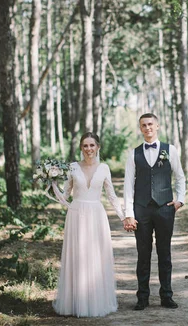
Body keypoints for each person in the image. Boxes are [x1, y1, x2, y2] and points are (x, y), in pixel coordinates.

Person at [50, 132, 125, 317]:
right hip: (76, 215)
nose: (89, 149)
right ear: (81, 148)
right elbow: (65, 196)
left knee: (96, 258)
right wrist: (51, 182)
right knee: (78, 257)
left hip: (97, 216)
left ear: (98, 147)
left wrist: (124, 217)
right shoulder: (72, 168)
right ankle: (77, 302)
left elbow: (112, 196)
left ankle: (96, 301)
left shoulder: (105, 168)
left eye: (92, 145)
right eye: (85, 146)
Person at [123, 113, 186, 311]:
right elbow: (127, 185)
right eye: (143, 125)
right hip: (141, 209)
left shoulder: (170, 150)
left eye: (150, 124)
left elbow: (180, 177)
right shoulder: (134, 154)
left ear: (157, 126)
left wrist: (180, 200)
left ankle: (166, 295)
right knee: (143, 254)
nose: (147, 128)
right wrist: (128, 212)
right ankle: (142, 297)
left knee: (164, 253)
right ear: (140, 128)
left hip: (165, 208)